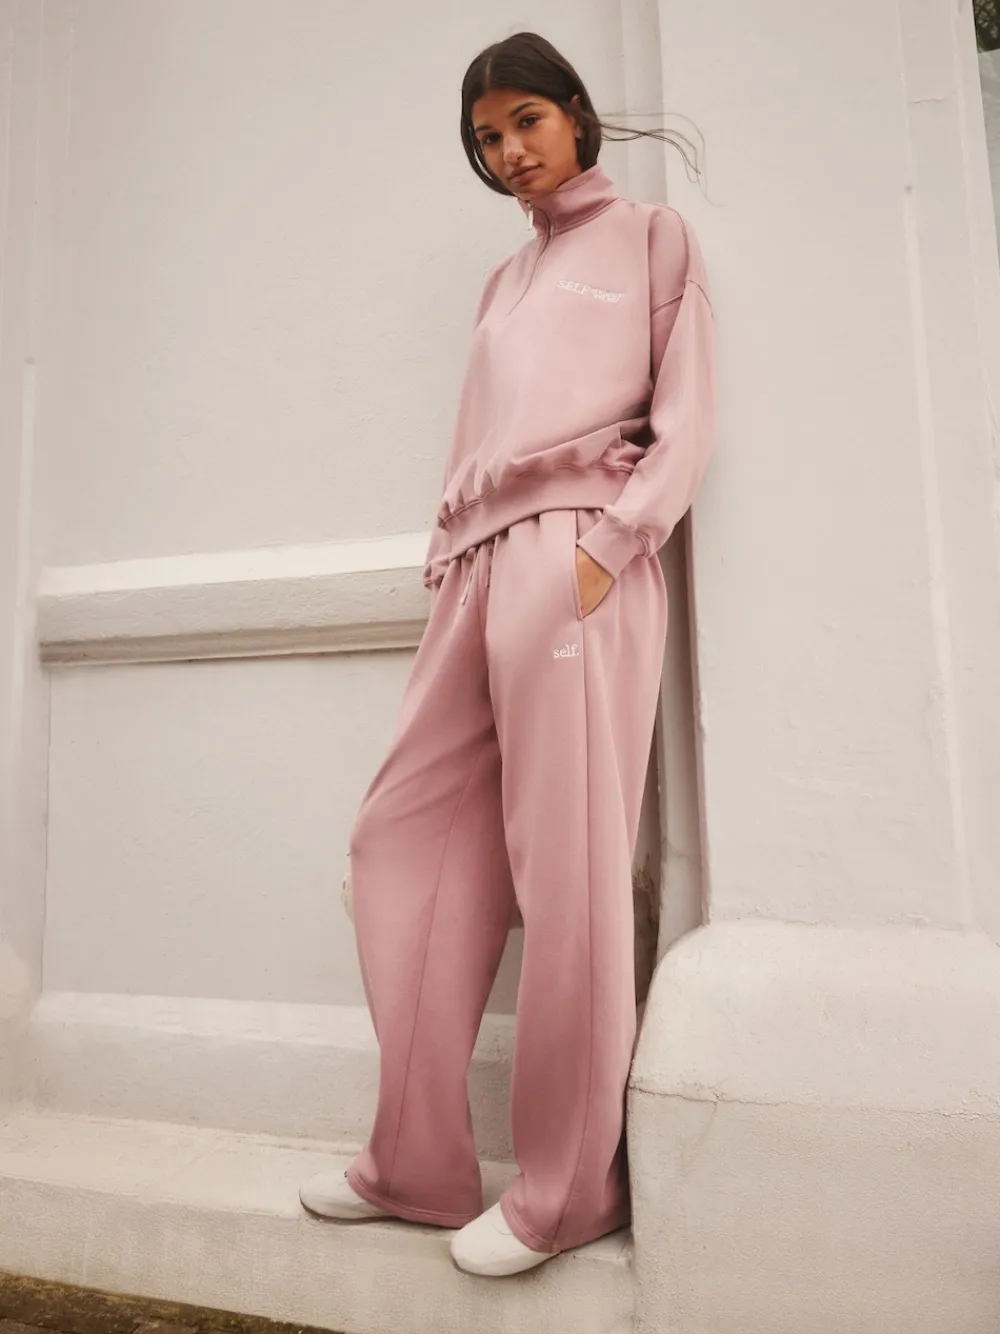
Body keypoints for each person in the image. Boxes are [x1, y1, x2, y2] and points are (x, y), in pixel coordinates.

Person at [299, 30, 716, 1277]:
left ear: (576, 114)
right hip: (475, 570)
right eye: (487, 138)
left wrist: (611, 548)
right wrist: (450, 558)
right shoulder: (502, 280)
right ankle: (415, 1160)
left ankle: (567, 1188)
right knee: (400, 833)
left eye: (526, 121)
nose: (509, 151)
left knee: (566, 866)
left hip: (576, 558)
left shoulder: (650, 239)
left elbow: (687, 415)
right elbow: (475, 430)